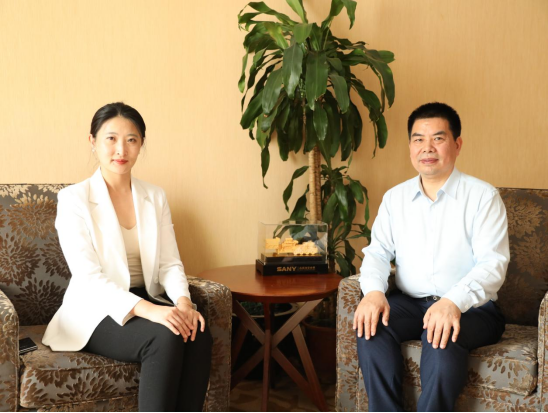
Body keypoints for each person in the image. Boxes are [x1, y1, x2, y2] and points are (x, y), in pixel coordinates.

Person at [42, 102, 212, 412]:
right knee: (164, 337)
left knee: (196, 333)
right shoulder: (73, 199)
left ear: (141, 143)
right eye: (111, 138)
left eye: (131, 139)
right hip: (94, 310)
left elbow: (169, 263)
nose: (121, 149)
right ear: (92, 141)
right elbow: (88, 278)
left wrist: (184, 305)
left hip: (145, 296)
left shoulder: (155, 196)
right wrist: (153, 312)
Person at [353, 102, 509, 412]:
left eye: (438, 138)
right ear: (410, 147)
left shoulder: (483, 197)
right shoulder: (395, 199)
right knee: (371, 326)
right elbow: (378, 252)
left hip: (473, 310)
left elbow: (493, 264)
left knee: (441, 335)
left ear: (457, 144)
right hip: (411, 304)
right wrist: (373, 292)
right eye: (418, 139)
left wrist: (452, 302)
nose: (427, 148)